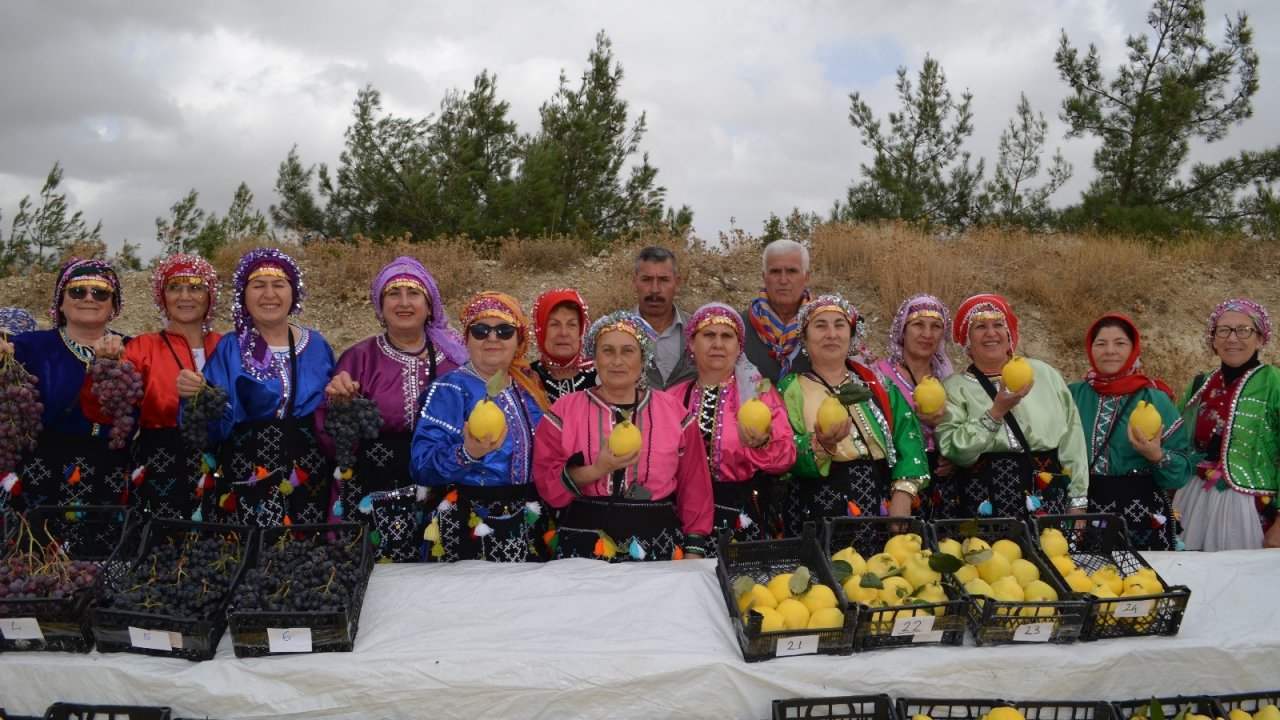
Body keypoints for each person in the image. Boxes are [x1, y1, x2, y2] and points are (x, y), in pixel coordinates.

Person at [533, 310, 713, 560]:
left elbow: (694, 484)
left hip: (657, 542)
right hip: (583, 545)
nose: (617, 361)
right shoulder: (563, 412)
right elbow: (546, 483)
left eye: (628, 351)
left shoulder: (674, 413)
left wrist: (694, 546)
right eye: (607, 351)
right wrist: (597, 469)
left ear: (643, 358)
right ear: (594, 358)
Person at [319, 257, 465, 560]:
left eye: (413, 293)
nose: (404, 302)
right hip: (373, 494)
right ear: (380, 306)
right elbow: (333, 442)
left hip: (438, 491)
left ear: (429, 305)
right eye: (393, 294)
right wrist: (341, 406)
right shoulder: (359, 358)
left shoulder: (455, 360)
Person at [177, 248, 336, 526]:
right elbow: (211, 428)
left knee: (309, 557)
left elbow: (330, 412)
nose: (269, 294)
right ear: (244, 296)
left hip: (310, 473)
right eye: (258, 286)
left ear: (293, 293)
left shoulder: (317, 345)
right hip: (248, 472)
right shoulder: (230, 348)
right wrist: (196, 396)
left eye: (279, 285)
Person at [412, 291, 550, 562]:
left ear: (519, 340)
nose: (492, 338)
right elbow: (421, 465)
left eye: (504, 330)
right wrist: (467, 453)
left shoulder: (529, 390)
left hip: (527, 521)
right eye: (481, 330)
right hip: (468, 525)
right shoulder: (449, 389)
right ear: (467, 338)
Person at [776, 294, 930, 534]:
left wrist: (903, 491)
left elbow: (907, 435)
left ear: (851, 335)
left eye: (839, 325)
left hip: (882, 506)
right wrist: (819, 444)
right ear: (804, 338)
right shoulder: (789, 390)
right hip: (816, 507)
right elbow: (780, 449)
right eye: (820, 326)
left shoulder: (877, 385)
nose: (831, 334)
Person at [84, 254, 223, 519]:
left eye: (195, 287)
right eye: (174, 287)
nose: (185, 296)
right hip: (161, 467)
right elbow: (103, 413)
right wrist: (104, 369)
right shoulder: (142, 347)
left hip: (221, 463)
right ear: (163, 296)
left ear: (209, 297)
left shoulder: (228, 346)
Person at [936, 294, 1088, 520]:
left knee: (1050, 553)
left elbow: (1072, 438)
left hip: (1046, 494)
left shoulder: (1044, 375)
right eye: (980, 326)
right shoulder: (953, 388)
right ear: (967, 339)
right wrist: (995, 413)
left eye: (998, 324)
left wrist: (1078, 501)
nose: (991, 333)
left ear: (1008, 333)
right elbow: (955, 451)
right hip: (981, 500)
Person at [0, 259, 131, 512]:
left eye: (101, 292)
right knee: (41, 549)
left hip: (110, 477)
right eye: (77, 291)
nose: (89, 298)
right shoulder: (31, 346)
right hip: (41, 478)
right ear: (61, 301)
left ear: (113, 304)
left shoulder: (135, 349)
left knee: (107, 550)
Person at [666, 303, 795, 551]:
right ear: (692, 344)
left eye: (727, 336)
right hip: (681, 514)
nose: (718, 344)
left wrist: (762, 444)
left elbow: (787, 456)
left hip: (743, 514)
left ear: (738, 347)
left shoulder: (760, 394)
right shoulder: (672, 399)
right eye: (708, 335)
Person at [1068, 314, 1194, 551]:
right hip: (1084, 511)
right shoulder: (1073, 395)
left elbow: (1181, 469)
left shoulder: (1154, 398)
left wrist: (1157, 455)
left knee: (1145, 583)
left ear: (1133, 348)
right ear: (1090, 348)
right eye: (1101, 344)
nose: (1110, 351)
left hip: (1141, 513)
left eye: (1120, 343)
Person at [1175, 298, 1280, 550]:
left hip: (1248, 508)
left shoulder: (1274, 383)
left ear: (1260, 337)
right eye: (1223, 330)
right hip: (1193, 498)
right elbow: (1176, 440)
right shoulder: (1200, 384)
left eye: (1244, 330)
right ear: (1213, 339)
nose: (1232, 338)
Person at [874, 294, 958, 519]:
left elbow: (960, 427)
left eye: (936, 326)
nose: (927, 334)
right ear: (902, 329)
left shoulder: (949, 379)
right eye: (918, 324)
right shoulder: (880, 376)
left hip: (942, 483)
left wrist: (951, 451)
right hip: (893, 477)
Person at [742, 239, 812, 383]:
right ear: (764, 277)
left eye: (792, 271)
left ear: (806, 278)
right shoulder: (739, 327)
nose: (783, 279)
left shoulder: (826, 325)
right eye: (775, 271)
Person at [632, 246, 696, 390]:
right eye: (647, 280)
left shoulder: (699, 330)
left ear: (677, 283)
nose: (655, 289)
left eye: (664, 280)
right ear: (634, 281)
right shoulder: (616, 332)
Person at [529, 288, 596, 403]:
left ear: (581, 331)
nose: (563, 333)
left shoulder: (601, 377)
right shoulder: (526, 378)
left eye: (572, 325)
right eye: (554, 324)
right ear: (541, 331)